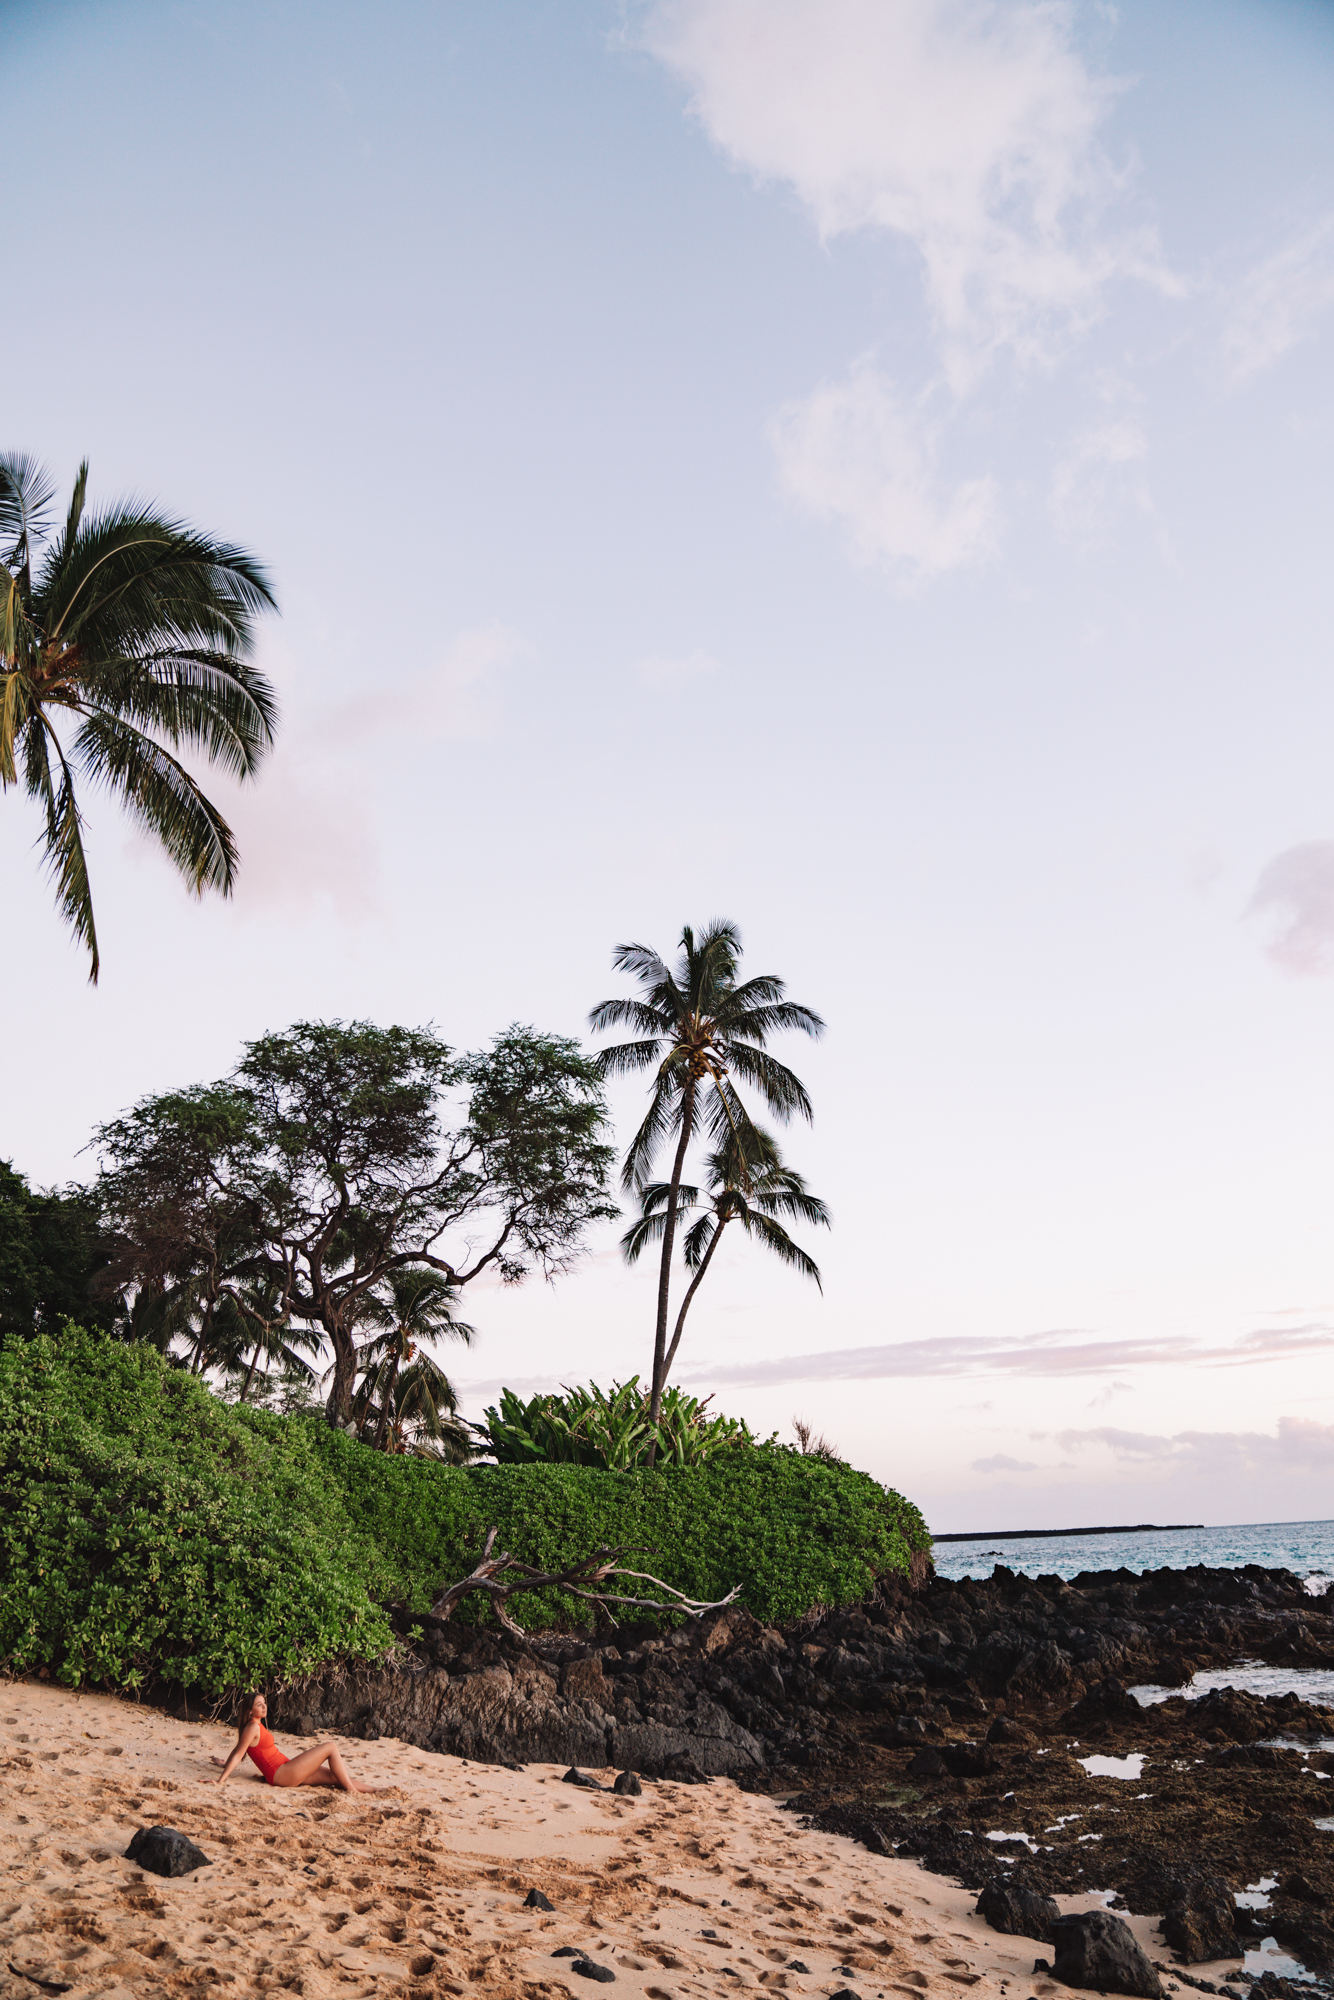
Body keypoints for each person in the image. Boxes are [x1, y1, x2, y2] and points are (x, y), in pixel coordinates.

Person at [208, 1694, 373, 1792]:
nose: (264, 1706)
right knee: (331, 1747)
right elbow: (238, 1754)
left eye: (264, 1703)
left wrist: (224, 1764)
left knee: (336, 1776)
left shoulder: (256, 1726)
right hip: (282, 1774)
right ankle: (352, 1792)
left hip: (286, 1768)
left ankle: (376, 1790)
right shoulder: (252, 1727)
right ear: (250, 1710)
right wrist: (220, 1780)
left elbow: (238, 1749)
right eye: (259, 1705)